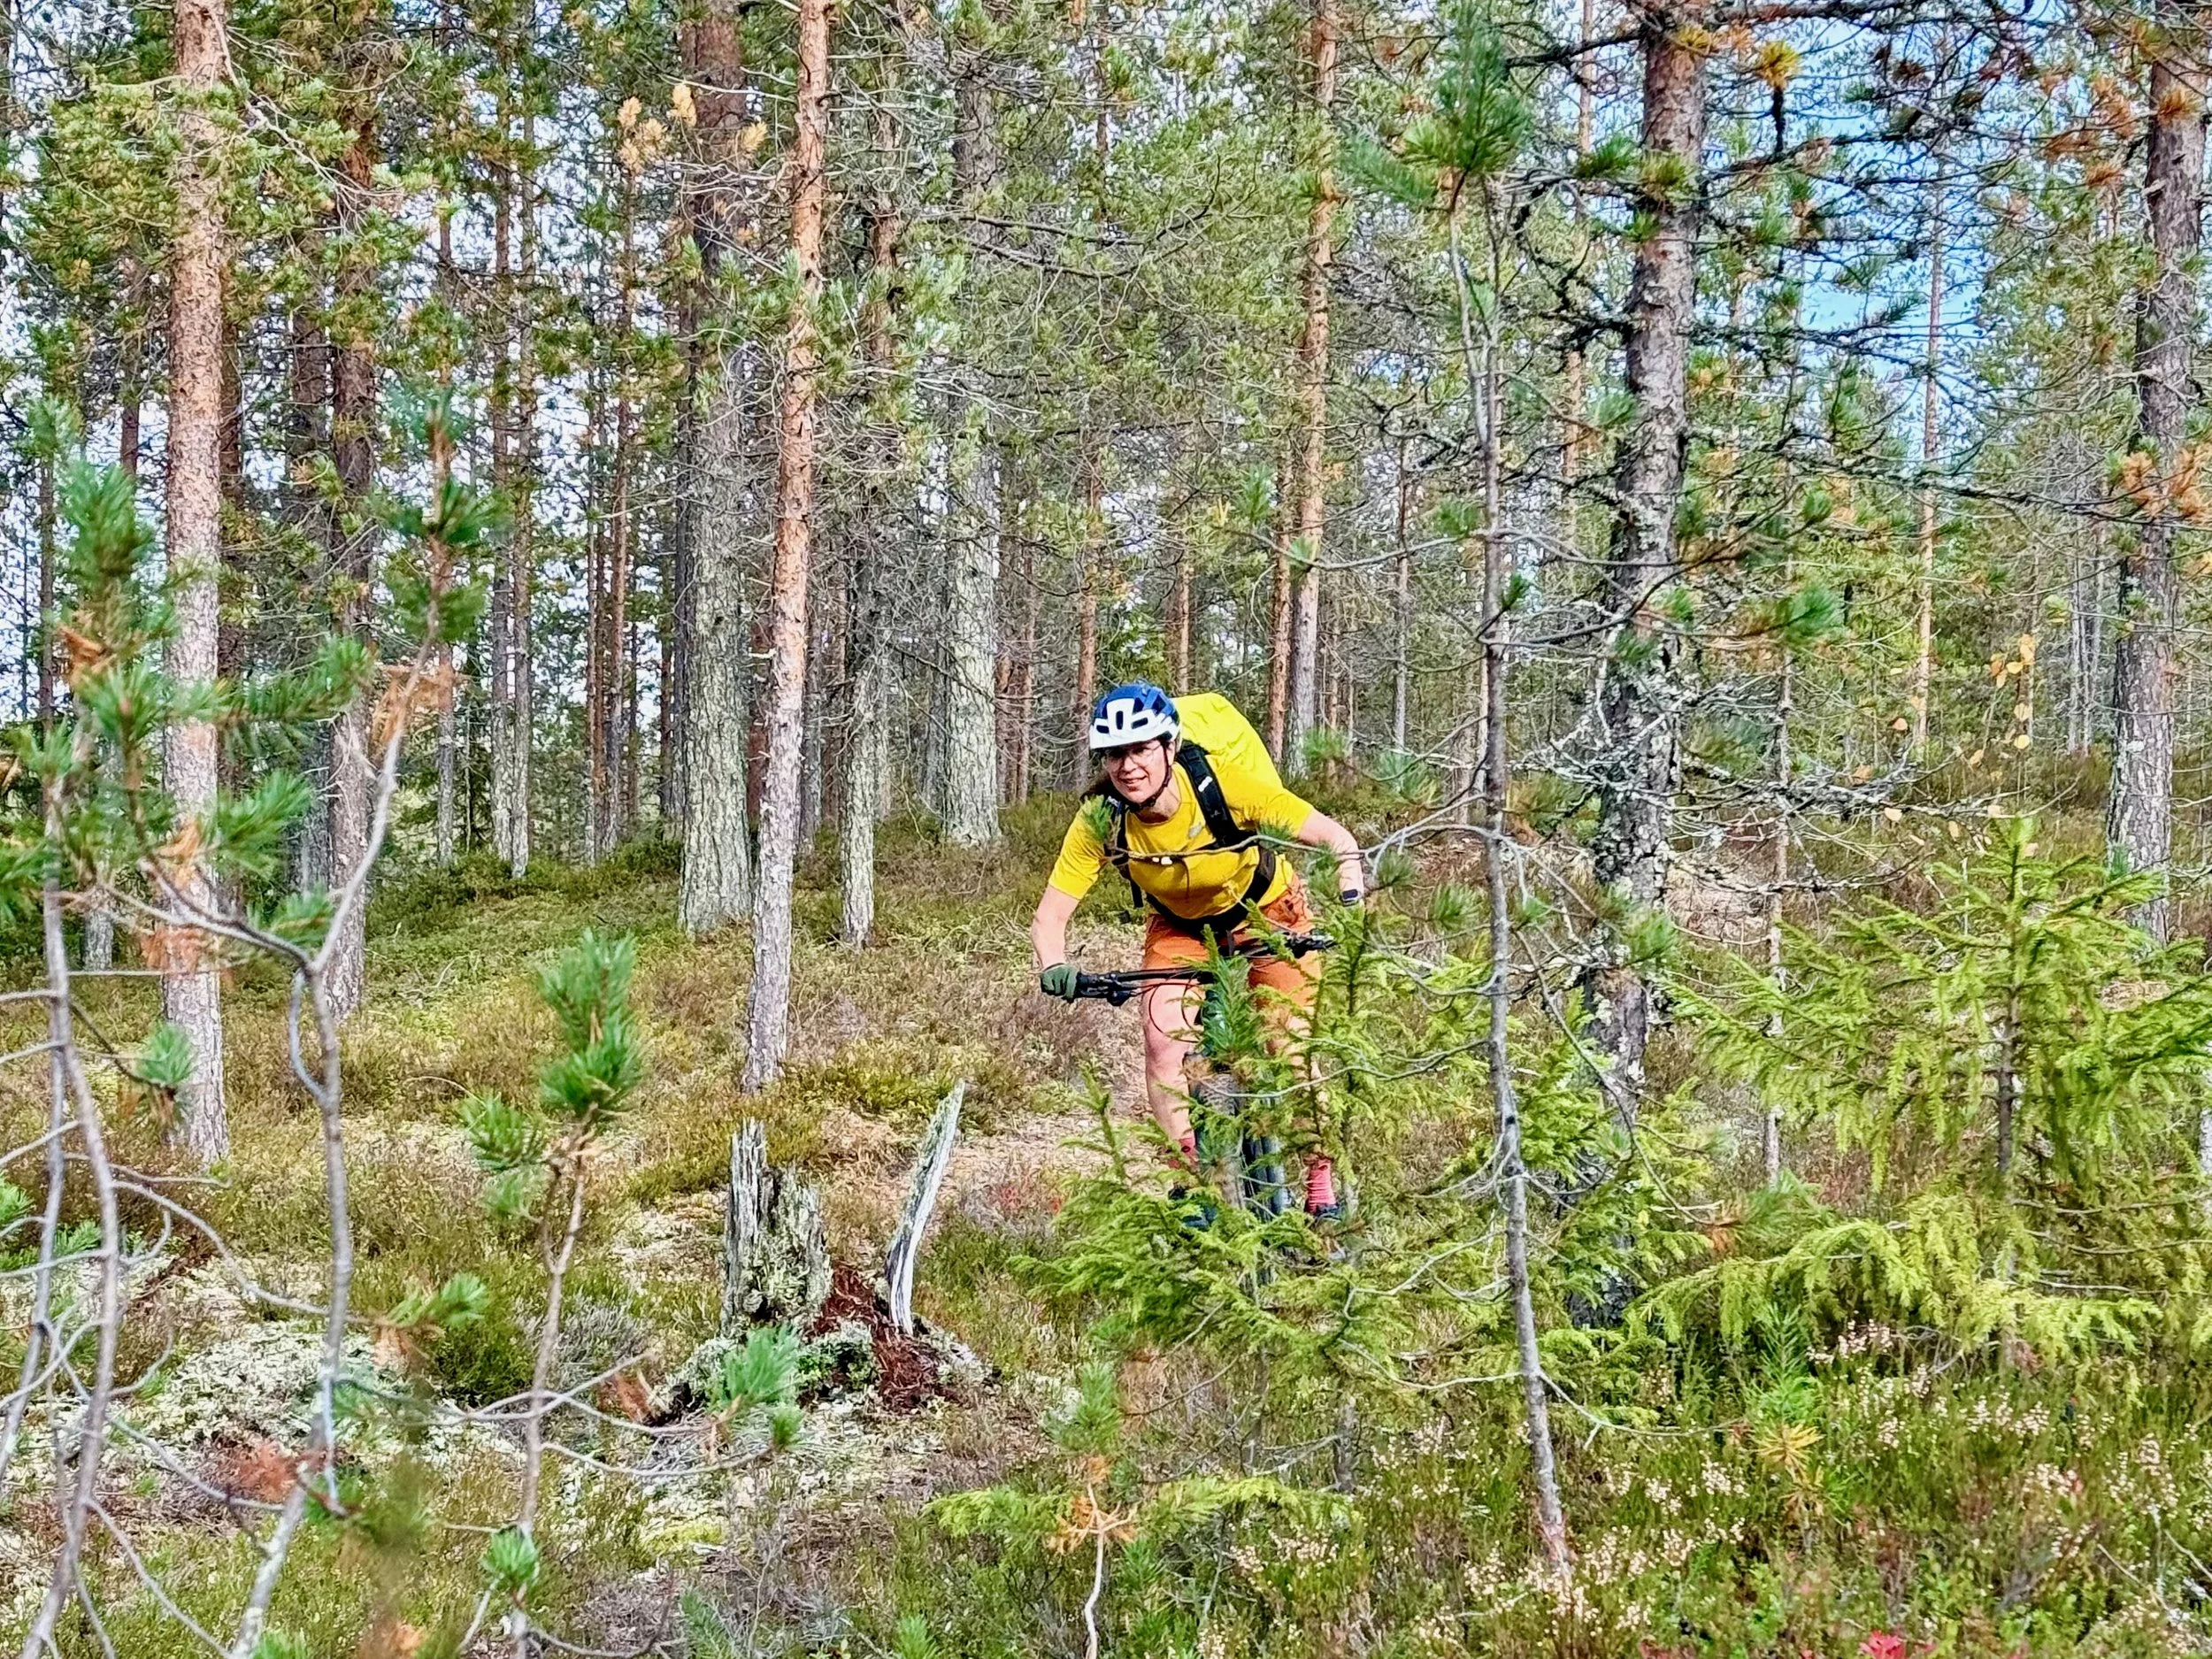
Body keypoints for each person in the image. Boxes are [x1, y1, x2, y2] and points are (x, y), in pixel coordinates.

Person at [1029, 682, 1366, 1217]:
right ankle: (1189, 1179)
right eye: (1114, 754)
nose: (1128, 766)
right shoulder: (1101, 817)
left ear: (1168, 745)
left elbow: (1335, 838)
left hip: (1269, 915)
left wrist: (1349, 889)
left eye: (1141, 749)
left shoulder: (1221, 784)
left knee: (1289, 1053)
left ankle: (1320, 1178)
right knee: (1162, 1043)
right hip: (1181, 928)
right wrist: (1055, 965)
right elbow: (1050, 917)